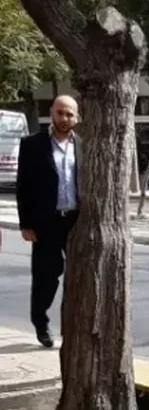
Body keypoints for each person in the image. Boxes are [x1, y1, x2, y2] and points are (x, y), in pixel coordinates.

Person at [16, 96, 80, 348]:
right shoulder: (33, 145)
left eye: (70, 114)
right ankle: (40, 322)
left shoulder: (83, 146)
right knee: (46, 276)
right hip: (46, 222)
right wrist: (25, 224)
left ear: (77, 117)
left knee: (78, 276)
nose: (65, 119)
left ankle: (71, 327)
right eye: (61, 113)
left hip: (76, 221)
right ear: (52, 113)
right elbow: (23, 186)